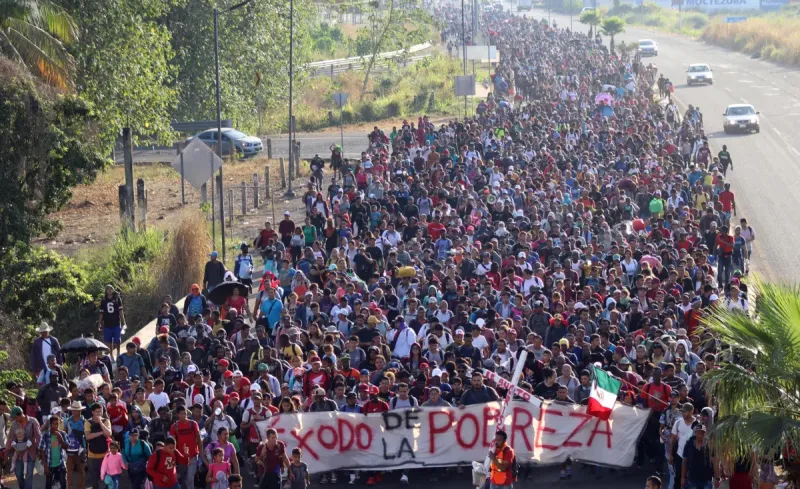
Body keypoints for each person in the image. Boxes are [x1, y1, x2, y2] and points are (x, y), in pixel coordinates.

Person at [5, 406, 41, 489]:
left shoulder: (33, 421)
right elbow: (10, 439)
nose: (15, 419)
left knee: (28, 475)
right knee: (18, 474)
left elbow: (39, 437)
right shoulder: (14, 425)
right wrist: (6, 454)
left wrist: (41, 452)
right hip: (19, 453)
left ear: (20, 415)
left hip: (31, 453)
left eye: (15, 417)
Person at [85, 403, 112, 489]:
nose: (99, 414)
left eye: (100, 411)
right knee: (94, 479)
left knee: (106, 479)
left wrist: (100, 422)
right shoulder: (88, 422)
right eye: (97, 412)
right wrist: (101, 433)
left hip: (105, 454)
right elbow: (88, 437)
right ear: (92, 412)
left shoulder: (106, 421)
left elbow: (108, 434)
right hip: (92, 455)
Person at [681, 425, 715, 489]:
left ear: (705, 434)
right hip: (692, 478)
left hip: (706, 479)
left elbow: (714, 461)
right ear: (695, 433)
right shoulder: (689, 444)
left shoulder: (709, 445)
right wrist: (683, 477)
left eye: (702, 433)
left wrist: (717, 477)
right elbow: (684, 462)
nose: (700, 435)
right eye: (698, 433)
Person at [39, 415, 67, 489]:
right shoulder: (45, 435)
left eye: (57, 424)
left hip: (60, 464)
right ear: (50, 424)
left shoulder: (62, 433)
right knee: (48, 484)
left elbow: (67, 447)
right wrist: (45, 466)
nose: (56, 426)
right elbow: (41, 451)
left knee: (63, 484)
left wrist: (60, 438)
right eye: (54, 424)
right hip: (49, 464)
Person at [98, 284, 126, 358]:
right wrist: (100, 324)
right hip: (107, 324)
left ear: (113, 290)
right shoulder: (103, 300)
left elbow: (121, 311)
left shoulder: (117, 299)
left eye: (111, 289)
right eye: (108, 289)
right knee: (109, 341)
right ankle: (111, 355)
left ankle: (118, 353)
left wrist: (123, 322)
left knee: (117, 340)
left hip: (116, 323)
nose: (109, 291)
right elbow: (101, 313)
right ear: (106, 291)